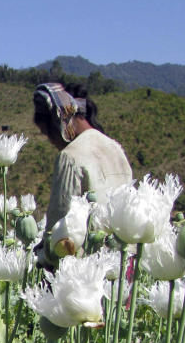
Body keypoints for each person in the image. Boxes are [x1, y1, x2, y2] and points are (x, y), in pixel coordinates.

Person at [32, 82, 132, 266]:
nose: (51, 141)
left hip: (86, 269)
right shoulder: (116, 148)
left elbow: (60, 230)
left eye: (46, 132)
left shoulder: (70, 156)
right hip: (123, 265)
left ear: (59, 121)